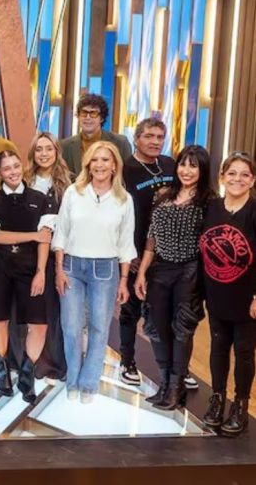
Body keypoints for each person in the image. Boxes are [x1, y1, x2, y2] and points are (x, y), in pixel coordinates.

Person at [52, 141, 136, 403]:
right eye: (95, 160)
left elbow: (126, 243)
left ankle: (89, 383)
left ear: (114, 165)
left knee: (100, 327)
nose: (100, 165)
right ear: (88, 165)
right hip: (72, 267)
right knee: (71, 326)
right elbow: (61, 233)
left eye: (105, 160)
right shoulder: (74, 193)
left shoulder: (124, 200)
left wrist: (124, 280)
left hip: (106, 269)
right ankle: (73, 381)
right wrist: (58, 269)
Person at [134, 145, 213, 410]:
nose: (186, 171)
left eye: (193, 166)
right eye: (183, 164)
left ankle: (176, 386)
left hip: (189, 272)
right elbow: (151, 238)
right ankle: (165, 382)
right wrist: (142, 272)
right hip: (160, 269)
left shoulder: (209, 202)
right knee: (156, 327)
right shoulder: (163, 195)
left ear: (203, 170)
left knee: (181, 329)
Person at [0, 151, 55, 402]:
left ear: (22, 167)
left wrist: (41, 271)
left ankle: (27, 374)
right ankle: (2, 372)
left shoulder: (39, 198)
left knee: (39, 324)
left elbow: (45, 239)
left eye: (15, 166)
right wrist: (31, 235)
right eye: (6, 168)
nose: (12, 172)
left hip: (31, 267)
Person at [199, 152, 256, 436]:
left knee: (244, 353)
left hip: (247, 298)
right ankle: (217, 399)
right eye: (232, 173)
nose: (237, 179)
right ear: (222, 177)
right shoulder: (211, 207)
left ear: (252, 180)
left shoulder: (254, 211)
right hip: (217, 292)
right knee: (218, 347)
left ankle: (240, 407)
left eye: (244, 174)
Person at [118, 118, 176, 387]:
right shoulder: (125, 169)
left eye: (160, 137)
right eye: (149, 136)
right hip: (136, 252)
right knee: (131, 310)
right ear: (136, 138)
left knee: (169, 312)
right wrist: (127, 253)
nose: (155, 142)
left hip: (168, 253)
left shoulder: (170, 165)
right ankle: (127, 361)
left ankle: (176, 368)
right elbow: (119, 215)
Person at [24, 132, 72, 383]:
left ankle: (52, 364)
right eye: (39, 149)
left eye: (48, 149)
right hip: (26, 252)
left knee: (52, 312)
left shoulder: (68, 185)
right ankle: (26, 361)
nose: (44, 154)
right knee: (29, 311)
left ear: (56, 152)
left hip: (55, 255)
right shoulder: (24, 180)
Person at [60, 93, 132, 175]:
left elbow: (128, 176)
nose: (88, 117)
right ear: (78, 116)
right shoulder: (65, 146)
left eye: (93, 113)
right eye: (84, 113)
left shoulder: (121, 143)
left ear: (101, 118)